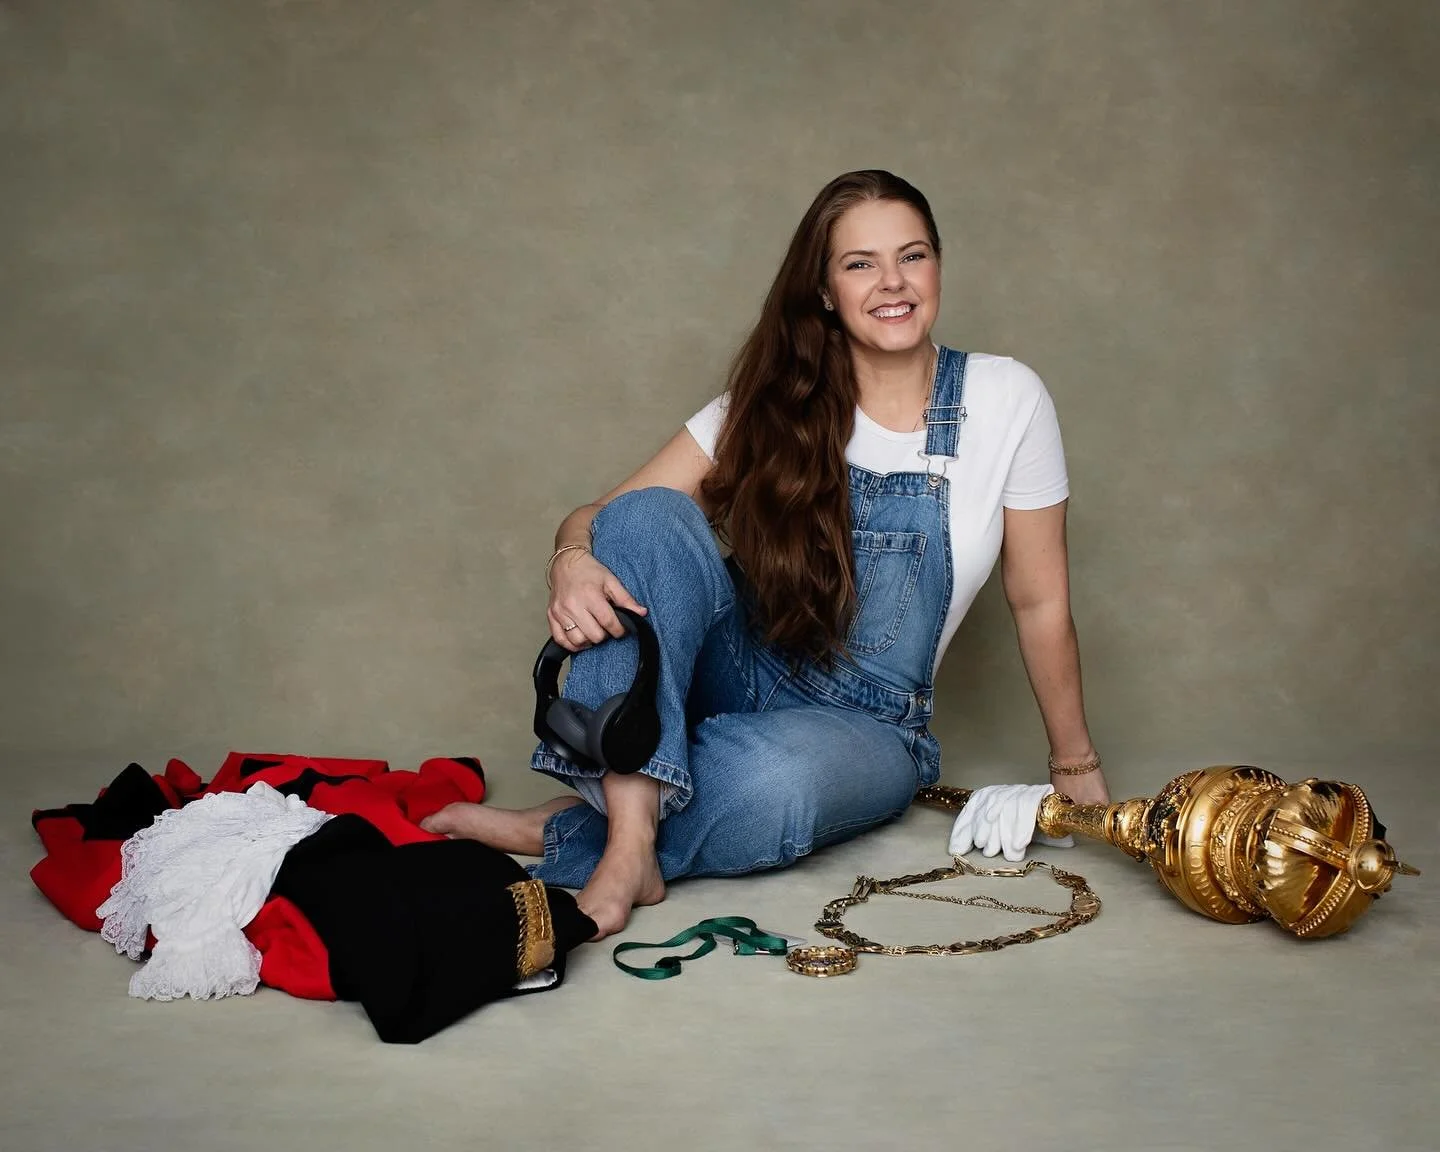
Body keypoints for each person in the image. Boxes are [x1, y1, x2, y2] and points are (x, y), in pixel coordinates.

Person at [423, 169, 1110, 938]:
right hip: (738, 664)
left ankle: (574, 826)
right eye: (860, 264)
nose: (893, 282)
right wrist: (569, 558)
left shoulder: (1007, 398)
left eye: (912, 257)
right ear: (823, 291)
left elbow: (1039, 600)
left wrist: (1074, 765)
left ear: (938, 266)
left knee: (774, 784)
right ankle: (626, 849)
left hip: (873, 730)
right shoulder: (770, 403)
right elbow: (607, 518)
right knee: (649, 517)